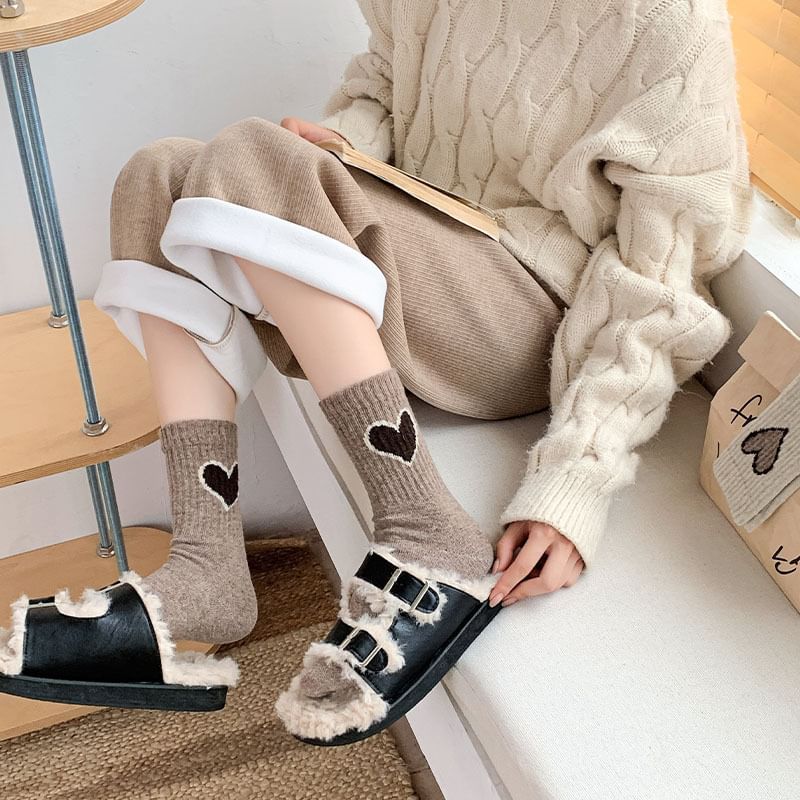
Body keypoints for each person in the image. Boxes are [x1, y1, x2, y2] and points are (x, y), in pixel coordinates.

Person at [0, 0, 751, 744]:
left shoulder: (668, 23)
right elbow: (385, 92)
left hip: (531, 313)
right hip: (423, 250)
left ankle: (426, 529)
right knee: (157, 172)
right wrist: (342, 147)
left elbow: (661, 288)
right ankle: (207, 563)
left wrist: (576, 480)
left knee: (247, 154)